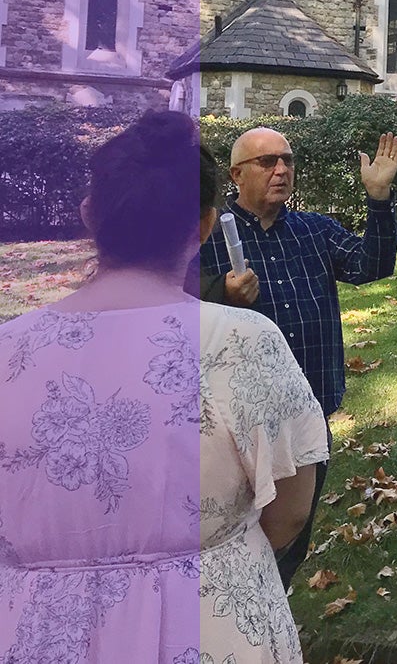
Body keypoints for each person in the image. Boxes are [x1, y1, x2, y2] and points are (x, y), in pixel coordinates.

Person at [0, 112, 328, 663]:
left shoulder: (9, 350)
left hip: (37, 632)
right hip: (214, 627)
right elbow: (291, 509)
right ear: (203, 226)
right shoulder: (240, 341)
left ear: (89, 217)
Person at [198, 124, 397, 585]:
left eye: (288, 160)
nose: (282, 170)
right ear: (236, 175)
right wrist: (219, 291)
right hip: (236, 421)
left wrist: (380, 199)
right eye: (267, 161)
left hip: (306, 413)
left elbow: (372, 264)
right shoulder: (210, 233)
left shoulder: (315, 230)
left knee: (291, 534)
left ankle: (274, 614)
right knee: (235, 532)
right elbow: (171, 297)